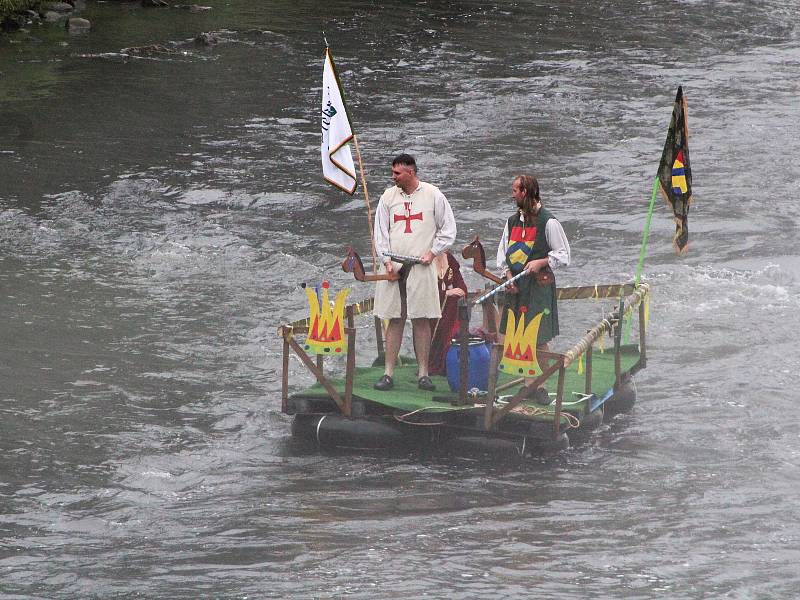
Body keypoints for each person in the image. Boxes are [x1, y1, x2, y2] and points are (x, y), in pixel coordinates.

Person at [373, 154, 457, 391]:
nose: (393, 177)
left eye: (397, 173)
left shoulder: (433, 195)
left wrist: (432, 253)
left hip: (422, 266)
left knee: (421, 319)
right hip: (394, 267)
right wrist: (386, 261)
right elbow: (380, 232)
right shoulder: (388, 198)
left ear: (410, 172)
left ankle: (423, 373)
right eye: (393, 173)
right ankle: (388, 373)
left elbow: (448, 230)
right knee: (395, 318)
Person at [496, 174, 570, 401]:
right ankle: (528, 383)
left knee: (539, 336)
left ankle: (540, 386)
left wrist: (541, 262)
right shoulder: (511, 222)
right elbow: (502, 254)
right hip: (517, 287)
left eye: (516, 190)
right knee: (520, 335)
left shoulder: (549, 222)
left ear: (525, 192)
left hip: (538, 287)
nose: (513, 194)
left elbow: (563, 254)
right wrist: (507, 275)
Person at [427, 251, 467, 376]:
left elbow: (461, 285)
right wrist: (445, 294)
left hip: (450, 311)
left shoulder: (450, 258)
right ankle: (430, 362)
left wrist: (458, 290)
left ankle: (448, 362)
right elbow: (424, 289)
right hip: (430, 309)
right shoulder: (425, 259)